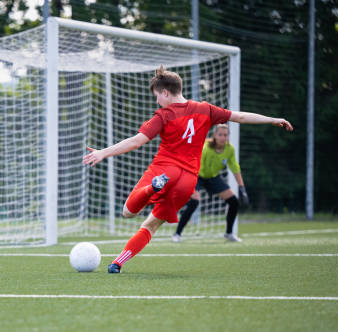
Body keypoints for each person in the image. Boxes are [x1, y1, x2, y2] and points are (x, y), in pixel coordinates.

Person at [82, 65, 293, 274]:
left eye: (157, 96)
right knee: (152, 224)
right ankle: (117, 263)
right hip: (187, 182)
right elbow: (241, 117)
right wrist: (272, 119)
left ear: (165, 92)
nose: (157, 101)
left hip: (164, 171)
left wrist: (103, 152)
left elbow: (137, 141)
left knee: (128, 212)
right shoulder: (206, 109)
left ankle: (152, 189)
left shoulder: (163, 115)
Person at [172, 124, 248, 243]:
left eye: (225, 135)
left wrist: (242, 187)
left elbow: (235, 168)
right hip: (196, 175)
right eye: (220, 135)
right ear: (214, 136)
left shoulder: (230, 149)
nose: (223, 137)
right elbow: (191, 162)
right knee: (194, 201)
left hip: (213, 177)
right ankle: (177, 234)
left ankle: (229, 233)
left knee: (233, 201)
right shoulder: (206, 147)